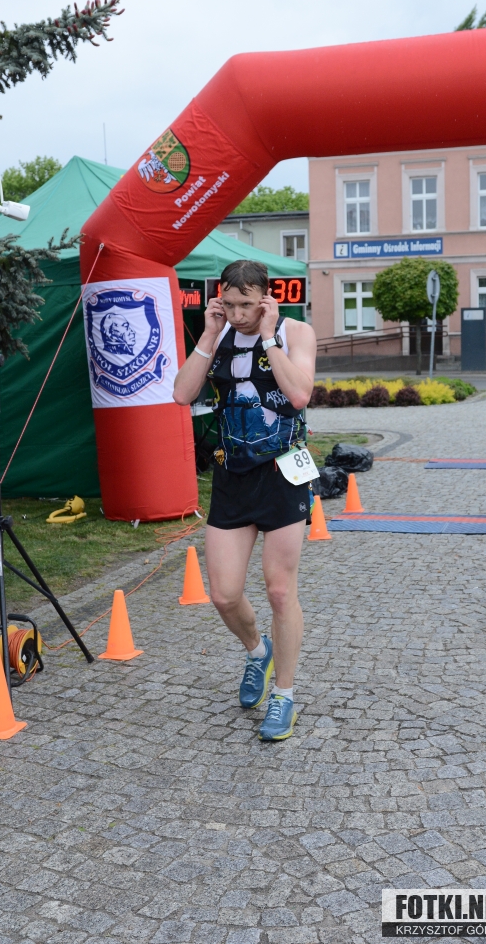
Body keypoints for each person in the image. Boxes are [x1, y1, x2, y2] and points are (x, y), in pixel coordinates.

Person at [173, 259, 317, 741]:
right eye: (228, 304)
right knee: (223, 594)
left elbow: (299, 395)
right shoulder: (218, 336)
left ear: (266, 300)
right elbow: (182, 394)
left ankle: (284, 695)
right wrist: (208, 334)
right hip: (232, 476)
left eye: (246, 305)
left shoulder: (296, 332)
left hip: (282, 474)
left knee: (279, 591)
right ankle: (258, 651)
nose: (237, 314)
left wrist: (270, 336)